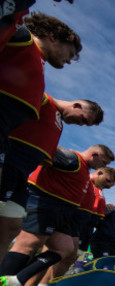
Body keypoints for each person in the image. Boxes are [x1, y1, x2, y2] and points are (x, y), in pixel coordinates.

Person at [0, 144, 114, 286]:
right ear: (95, 154)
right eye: (104, 162)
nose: (104, 166)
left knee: (64, 249)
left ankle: (17, 280)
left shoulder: (83, 169)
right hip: (46, 205)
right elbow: (42, 153)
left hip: (62, 213)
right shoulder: (72, 158)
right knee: (28, 244)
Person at [0, 94, 103, 263]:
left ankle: (4, 282)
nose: (81, 124)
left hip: (21, 176)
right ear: (77, 105)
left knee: (11, 227)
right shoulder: (43, 100)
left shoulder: (59, 125)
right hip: (8, 165)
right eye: (84, 119)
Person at [0, 12, 81, 191]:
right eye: (70, 53)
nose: (69, 60)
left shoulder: (38, 64)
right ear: (53, 37)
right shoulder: (21, 37)